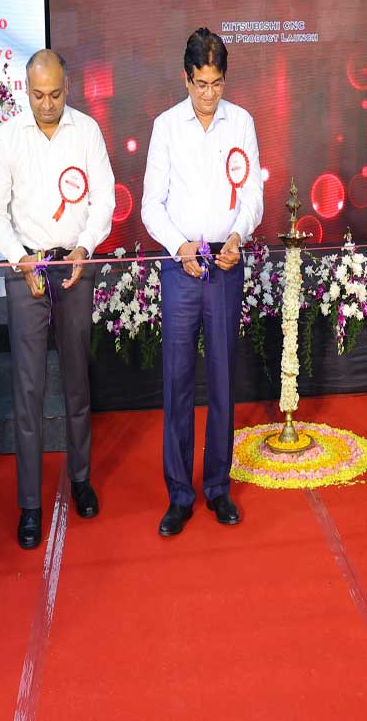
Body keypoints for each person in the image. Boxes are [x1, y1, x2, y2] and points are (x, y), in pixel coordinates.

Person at [0, 49, 115, 549]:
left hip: (74, 268)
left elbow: (104, 198)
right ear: (26, 90)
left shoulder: (88, 131)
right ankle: (30, 504)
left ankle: (80, 479)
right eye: (38, 95)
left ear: (68, 87)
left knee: (77, 381)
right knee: (28, 390)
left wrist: (86, 246)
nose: (47, 104)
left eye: (55, 94)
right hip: (27, 271)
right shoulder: (10, 137)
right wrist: (19, 258)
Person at [141, 28, 262, 536]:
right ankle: (179, 495)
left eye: (216, 83)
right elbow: (151, 205)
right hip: (182, 265)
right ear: (185, 78)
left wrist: (237, 235)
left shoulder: (242, 122)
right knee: (177, 381)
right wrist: (179, 246)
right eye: (200, 84)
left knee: (222, 378)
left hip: (226, 264)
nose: (209, 94)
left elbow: (253, 195)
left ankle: (217, 487)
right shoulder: (167, 126)